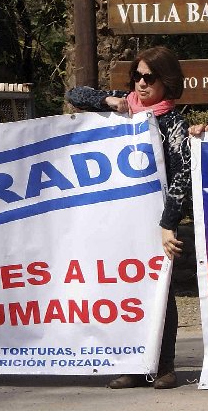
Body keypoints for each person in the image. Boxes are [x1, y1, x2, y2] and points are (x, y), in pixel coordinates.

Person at [67, 46, 190, 390]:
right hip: (121, 219)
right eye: (136, 75)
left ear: (166, 81)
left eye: (149, 77)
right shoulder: (124, 109)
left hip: (159, 220)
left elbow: (182, 176)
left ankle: (163, 366)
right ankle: (133, 364)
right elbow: (75, 94)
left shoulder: (173, 123)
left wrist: (169, 223)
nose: (140, 83)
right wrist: (110, 102)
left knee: (160, 289)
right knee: (126, 287)